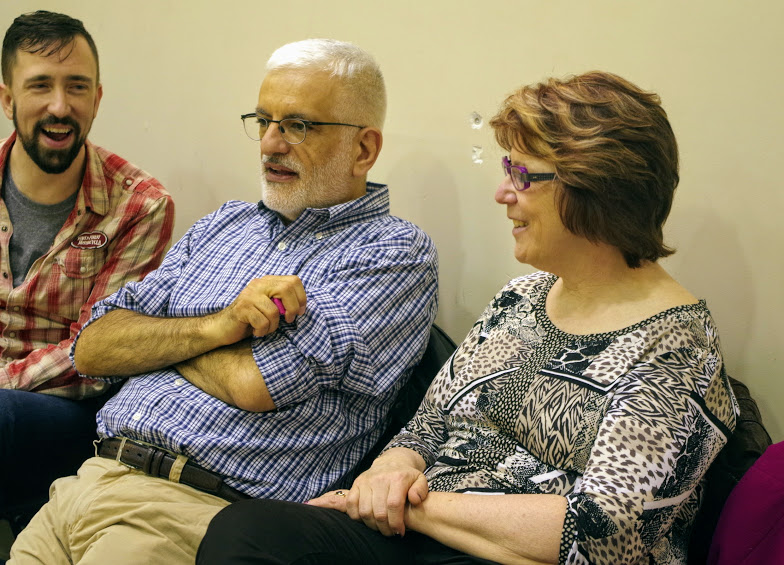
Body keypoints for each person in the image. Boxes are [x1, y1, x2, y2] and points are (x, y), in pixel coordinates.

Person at [197, 71, 739, 565]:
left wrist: (413, 508)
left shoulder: (678, 346)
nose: (503, 193)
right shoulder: (522, 297)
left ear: (596, 190)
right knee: (247, 533)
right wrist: (392, 469)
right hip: (421, 536)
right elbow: (430, 422)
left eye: (522, 175)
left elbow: (603, 533)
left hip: (509, 555)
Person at [8, 38, 438, 564]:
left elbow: (254, 382)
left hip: (191, 507)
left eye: (298, 125)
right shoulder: (224, 225)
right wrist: (221, 326)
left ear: (364, 148)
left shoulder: (394, 251)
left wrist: (157, 343)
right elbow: (93, 346)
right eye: (263, 121)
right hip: (88, 479)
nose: (271, 144)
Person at [0, 10, 173, 532]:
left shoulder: (139, 205)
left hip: (70, 409)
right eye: (40, 87)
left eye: (77, 86)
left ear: (97, 98)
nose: (60, 106)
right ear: (8, 99)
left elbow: (96, 350)